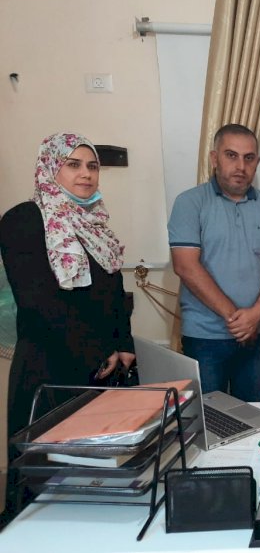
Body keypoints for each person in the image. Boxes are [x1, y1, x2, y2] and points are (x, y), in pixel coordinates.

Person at [0, 132, 134, 516]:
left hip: (100, 373)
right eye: (72, 164)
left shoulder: (95, 223)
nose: (86, 174)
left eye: (92, 166)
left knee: (95, 482)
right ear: (50, 168)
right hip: (49, 371)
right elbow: (38, 302)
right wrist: (98, 351)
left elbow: (113, 293)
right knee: (43, 484)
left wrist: (123, 345)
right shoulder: (24, 219)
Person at [168, 124, 260, 402]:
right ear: (214, 158)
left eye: (249, 158)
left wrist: (255, 316)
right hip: (205, 336)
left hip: (258, 334)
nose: (240, 166)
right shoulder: (189, 202)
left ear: (257, 162)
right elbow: (185, 266)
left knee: (253, 414)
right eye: (231, 155)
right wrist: (237, 319)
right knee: (210, 419)